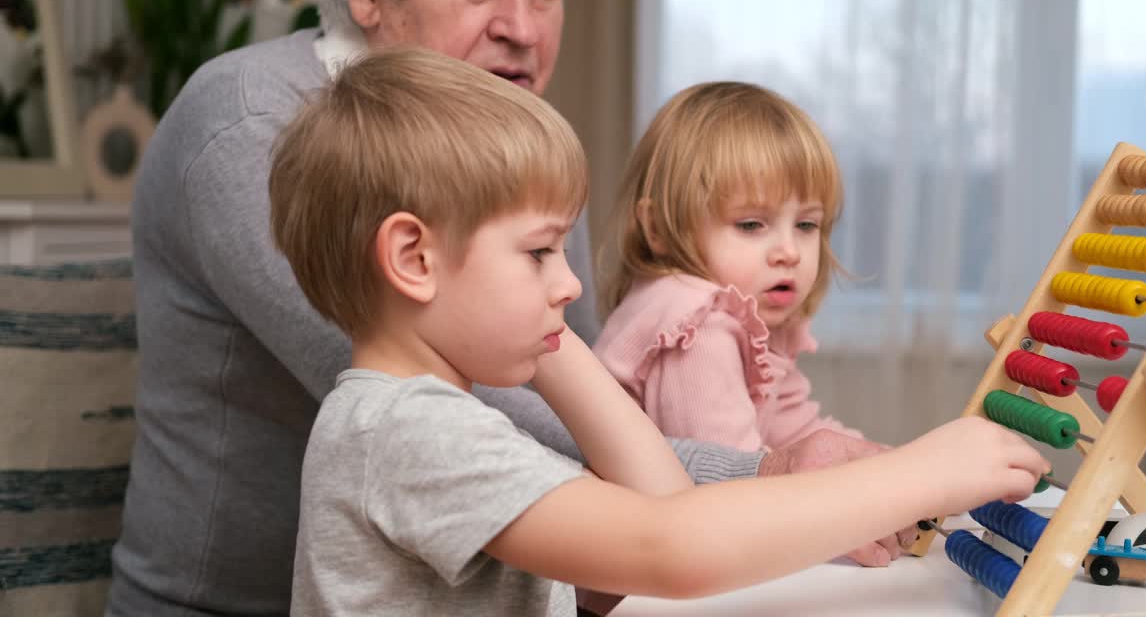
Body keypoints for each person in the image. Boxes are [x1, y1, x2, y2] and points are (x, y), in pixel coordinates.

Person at [108, 0, 900, 615]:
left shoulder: (511, 164)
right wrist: (770, 480)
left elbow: (568, 391)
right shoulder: (258, 130)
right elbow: (512, 427)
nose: (523, 26)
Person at [276, 46, 1051, 616]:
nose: (571, 282)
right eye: (540, 250)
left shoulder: (435, 411)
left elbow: (664, 497)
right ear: (414, 258)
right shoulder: (406, 430)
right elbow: (668, 547)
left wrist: (551, 344)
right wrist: (925, 473)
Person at [595, 82, 866, 455]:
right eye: (751, 225)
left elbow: (798, 431)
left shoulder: (753, 321)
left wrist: (886, 462)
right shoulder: (697, 330)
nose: (789, 252)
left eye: (806, 225)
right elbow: (732, 479)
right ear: (657, 228)